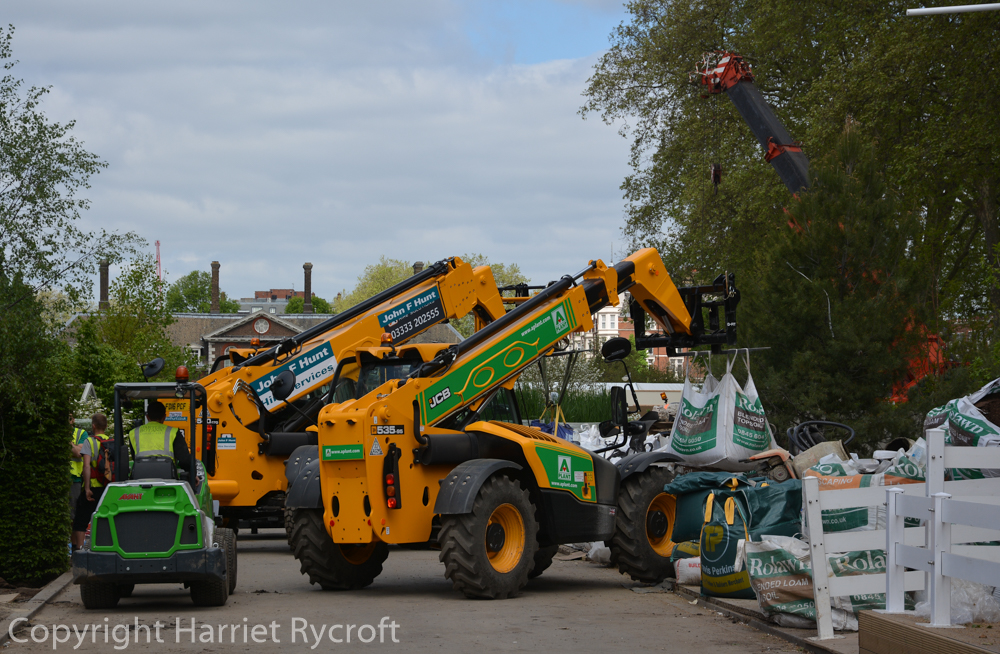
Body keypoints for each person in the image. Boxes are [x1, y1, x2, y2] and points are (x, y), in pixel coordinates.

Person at [72, 413, 111, 550]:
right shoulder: (111, 441)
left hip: (94, 487)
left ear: (93, 426)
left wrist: (87, 488)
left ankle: (80, 550)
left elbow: (86, 466)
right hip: (108, 488)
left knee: (80, 520)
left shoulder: (89, 441)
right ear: (106, 426)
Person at [127, 400, 190, 473]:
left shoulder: (133, 433)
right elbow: (184, 460)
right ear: (164, 417)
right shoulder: (173, 432)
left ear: (147, 417)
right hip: (168, 475)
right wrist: (192, 473)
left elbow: (134, 456)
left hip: (140, 473)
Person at [68, 413, 89, 524]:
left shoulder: (81, 433)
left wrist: (67, 438)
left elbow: (78, 453)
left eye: (69, 418)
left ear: (73, 420)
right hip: (60, 476)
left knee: (73, 510)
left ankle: (72, 540)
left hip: (75, 478)